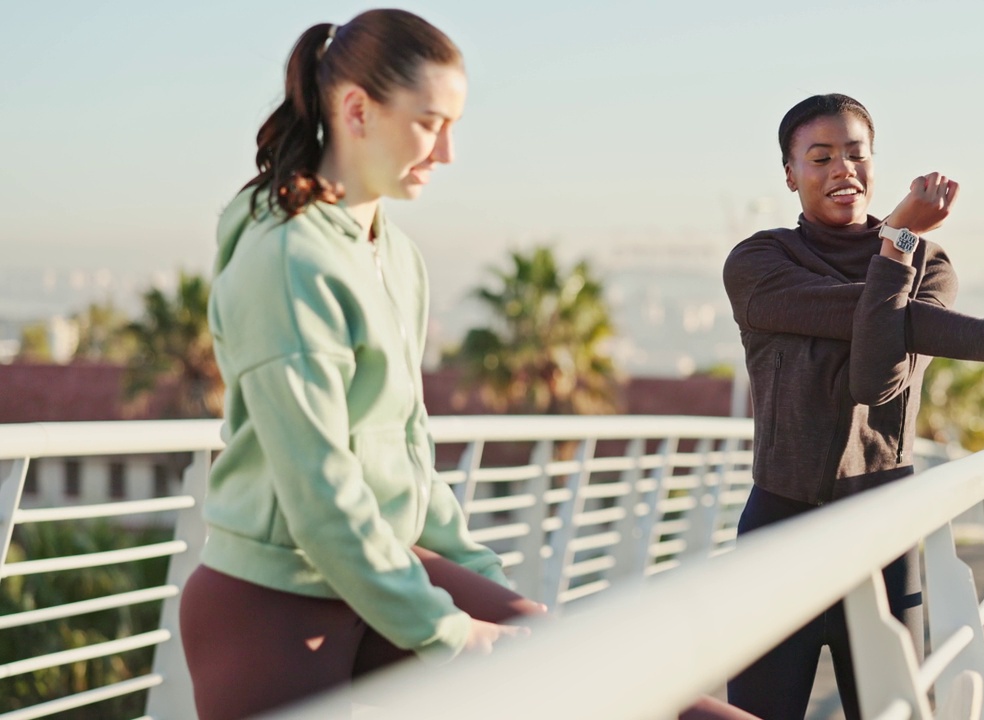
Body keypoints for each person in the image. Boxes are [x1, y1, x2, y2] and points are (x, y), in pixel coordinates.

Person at [180, 10, 755, 720]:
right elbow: (320, 499)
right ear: (357, 111)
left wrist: (487, 584)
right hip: (274, 613)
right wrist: (453, 632)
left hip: (387, 574)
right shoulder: (287, 261)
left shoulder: (396, 256)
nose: (446, 152)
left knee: (606, 681)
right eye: (429, 122)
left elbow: (408, 446)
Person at [721, 93, 984, 720]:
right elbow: (879, 321)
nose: (842, 169)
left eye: (855, 153)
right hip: (780, 522)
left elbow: (875, 379)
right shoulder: (759, 263)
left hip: (884, 529)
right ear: (789, 173)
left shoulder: (931, 264)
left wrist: (899, 249)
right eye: (820, 156)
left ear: (874, 161)